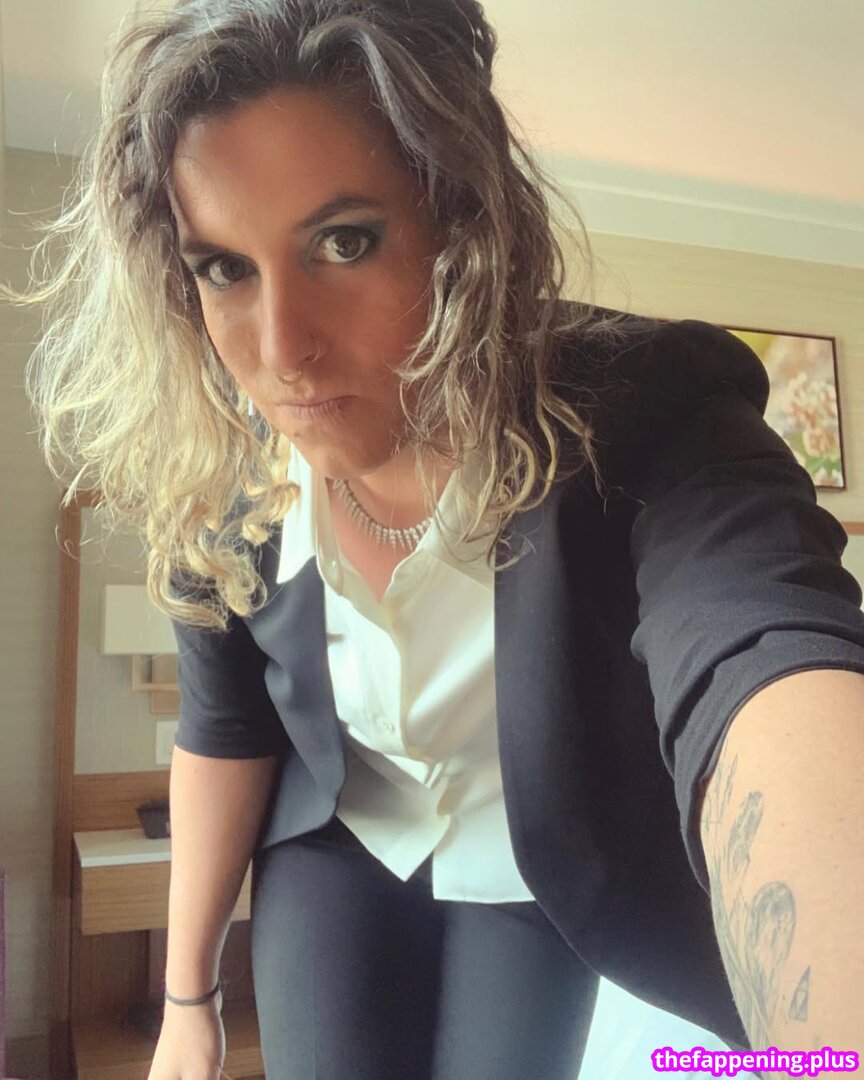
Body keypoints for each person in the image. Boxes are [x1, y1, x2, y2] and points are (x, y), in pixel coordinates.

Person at [18, 1, 864, 1077]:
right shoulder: (225, 474)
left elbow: (761, 645)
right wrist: (188, 1001)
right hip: (339, 841)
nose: (281, 351)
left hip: (534, 864)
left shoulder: (646, 410)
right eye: (225, 267)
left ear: (461, 223)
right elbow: (224, 731)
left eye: (345, 242)